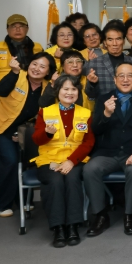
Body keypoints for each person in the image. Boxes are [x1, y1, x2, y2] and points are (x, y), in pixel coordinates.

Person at [84, 62, 132, 237]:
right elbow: (96, 130)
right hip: (108, 152)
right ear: (114, 79)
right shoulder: (104, 98)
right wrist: (106, 114)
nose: (125, 79)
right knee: (90, 169)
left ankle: (129, 215)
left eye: (130, 75)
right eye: (121, 76)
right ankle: (100, 215)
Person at [0, 52, 55, 217]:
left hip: (20, 129)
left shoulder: (48, 88)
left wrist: (21, 133)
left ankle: (21, 201)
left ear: (48, 71)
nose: (36, 68)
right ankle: (0, 205)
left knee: (23, 162)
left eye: (42, 66)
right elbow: (0, 91)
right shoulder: (18, 75)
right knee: (9, 162)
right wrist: (13, 72)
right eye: (34, 64)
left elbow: (42, 115)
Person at [31, 75, 95, 247]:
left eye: (73, 89)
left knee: (73, 179)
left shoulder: (85, 113)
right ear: (57, 91)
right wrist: (47, 133)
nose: (69, 92)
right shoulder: (45, 112)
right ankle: (58, 228)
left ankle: (73, 226)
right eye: (65, 89)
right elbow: (36, 139)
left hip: (75, 160)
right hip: (49, 160)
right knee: (55, 181)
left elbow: (88, 142)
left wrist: (72, 161)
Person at [0, 14, 44, 94]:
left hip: (31, 92)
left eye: (21, 26)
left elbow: (46, 70)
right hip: (4, 92)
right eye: (13, 26)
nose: (17, 29)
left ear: (27, 29)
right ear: (7, 29)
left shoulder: (38, 48)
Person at [84, 21, 132, 101]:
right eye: (110, 39)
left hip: (130, 106)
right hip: (104, 106)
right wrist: (92, 83)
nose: (115, 43)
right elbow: (91, 96)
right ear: (105, 42)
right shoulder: (94, 63)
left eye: (118, 39)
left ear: (123, 41)